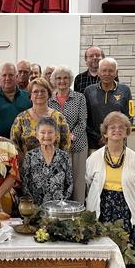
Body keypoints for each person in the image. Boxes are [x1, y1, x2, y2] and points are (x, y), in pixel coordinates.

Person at [85, 112, 135, 257]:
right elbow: (88, 181)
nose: (117, 130)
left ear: (126, 132)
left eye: (122, 127)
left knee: (122, 245)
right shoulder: (94, 157)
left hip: (124, 204)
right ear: (105, 133)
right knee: (101, 244)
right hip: (102, 203)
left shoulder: (134, 158)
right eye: (112, 127)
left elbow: (133, 183)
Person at [49, 65, 88, 202]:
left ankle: (78, 210)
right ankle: (60, 208)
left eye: (65, 78)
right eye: (59, 78)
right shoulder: (49, 100)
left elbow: (83, 121)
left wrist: (71, 136)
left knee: (78, 180)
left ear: (70, 80)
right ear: (54, 80)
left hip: (78, 145)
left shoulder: (79, 98)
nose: (62, 81)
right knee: (60, 180)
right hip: (56, 147)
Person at [11, 78, 71, 158]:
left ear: (48, 94)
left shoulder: (59, 117)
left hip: (55, 166)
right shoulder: (21, 119)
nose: (40, 94)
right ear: (30, 96)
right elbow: (14, 145)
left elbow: (66, 145)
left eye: (43, 91)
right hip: (27, 167)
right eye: (35, 91)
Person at [21, 117, 73, 206]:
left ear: (56, 135)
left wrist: (61, 205)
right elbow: (25, 184)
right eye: (42, 132)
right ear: (37, 135)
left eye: (50, 132)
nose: (46, 136)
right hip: (35, 209)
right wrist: (33, 206)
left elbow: (69, 184)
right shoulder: (30, 156)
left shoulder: (64, 156)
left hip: (58, 209)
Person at [84, 57, 134, 150]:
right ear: (98, 72)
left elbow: (130, 116)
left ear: (116, 73)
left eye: (111, 71)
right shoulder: (89, 91)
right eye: (104, 70)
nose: (107, 74)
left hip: (118, 141)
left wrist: (116, 135)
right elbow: (85, 118)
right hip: (95, 143)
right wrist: (100, 137)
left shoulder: (125, 90)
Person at [0, 62, 32, 137]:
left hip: (25, 143)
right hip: (0, 143)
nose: (7, 78)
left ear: (16, 77)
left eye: (11, 75)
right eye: (4, 75)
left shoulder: (28, 97)